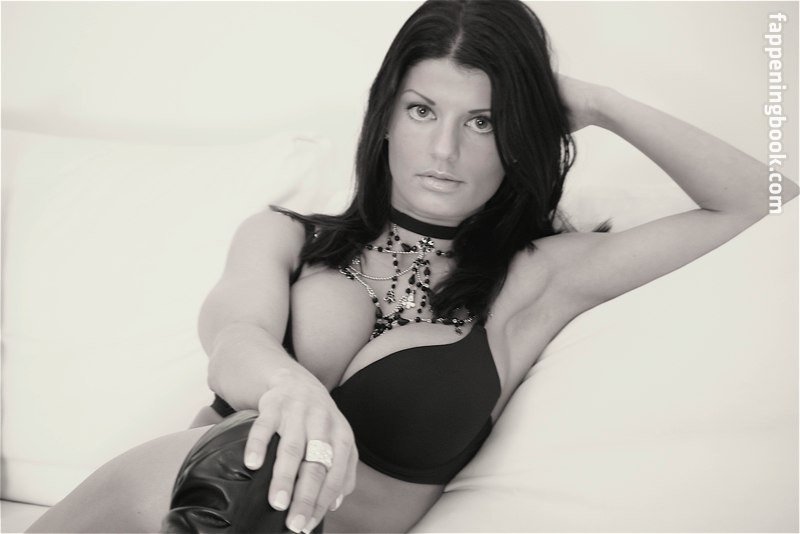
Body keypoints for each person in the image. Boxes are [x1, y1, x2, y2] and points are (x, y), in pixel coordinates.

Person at [27, 0, 797, 533]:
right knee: (253, 460)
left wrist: (599, 103)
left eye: (483, 121)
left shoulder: (536, 280)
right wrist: (292, 389)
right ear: (388, 116)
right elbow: (233, 337)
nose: (444, 150)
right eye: (424, 110)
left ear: (519, 134)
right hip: (150, 502)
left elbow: (769, 205)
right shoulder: (285, 236)